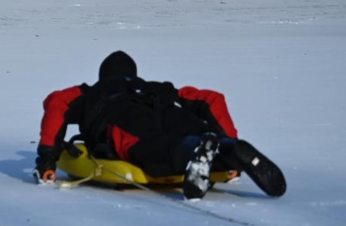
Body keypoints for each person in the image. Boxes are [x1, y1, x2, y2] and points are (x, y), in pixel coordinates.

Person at [35, 51, 286, 199]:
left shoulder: (90, 92)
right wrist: (226, 134)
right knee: (193, 133)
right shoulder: (155, 87)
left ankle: (193, 151)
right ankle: (229, 150)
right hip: (172, 112)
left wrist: (47, 160)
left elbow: (56, 103)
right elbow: (211, 99)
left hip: (126, 121)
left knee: (155, 148)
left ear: (103, 76)